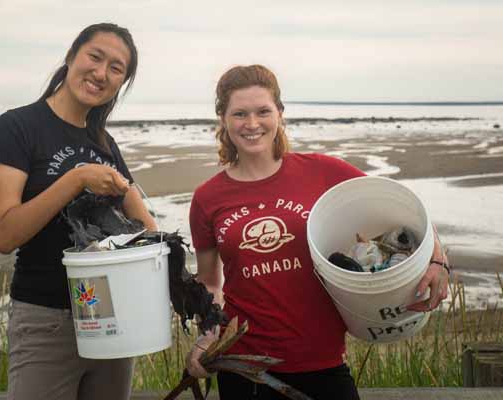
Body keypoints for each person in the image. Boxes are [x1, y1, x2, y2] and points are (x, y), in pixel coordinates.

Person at [186, 65, 449, 400]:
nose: (252, 124)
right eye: (239, 113)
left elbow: (405, 211)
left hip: (321, 359)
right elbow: (210, 283)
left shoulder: (323, 172)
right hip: (243, 366)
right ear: (222, 118)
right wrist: (206, 339)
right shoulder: (208, 198)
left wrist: (438, 261)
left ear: (279, 113)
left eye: (263, 111)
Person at [0, 23, 156, 400]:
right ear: (71, 56)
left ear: (121, 83)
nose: (101, 73)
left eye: (116, 68)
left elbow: (145, 229)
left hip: (112, 317)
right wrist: (75, 180)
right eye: (95, 57)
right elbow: (3, 235)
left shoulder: (104, 142)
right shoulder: (18, 126)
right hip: (45, 321)